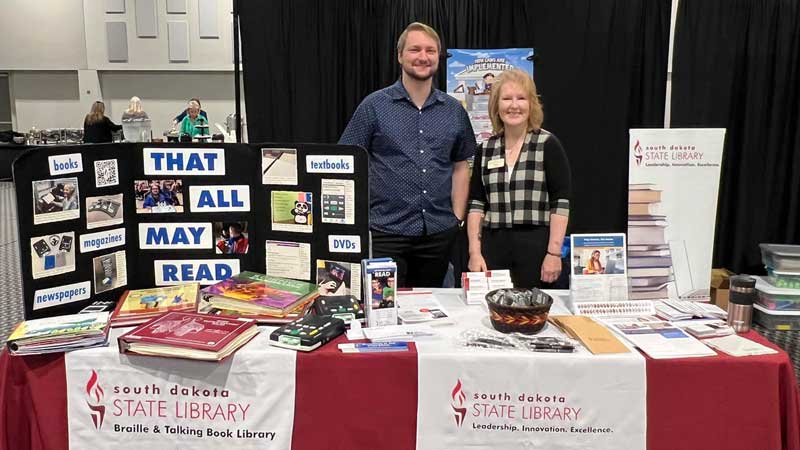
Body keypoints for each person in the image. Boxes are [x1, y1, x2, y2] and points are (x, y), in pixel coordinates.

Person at [339, 22, 476, 288]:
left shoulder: (453, 110)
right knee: (383, 312)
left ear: (439, 56)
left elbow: (461, 165)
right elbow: (347, 162)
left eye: (430, 50)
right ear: (400, 56)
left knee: (433, 314)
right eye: (415, 49)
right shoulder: (374, 106)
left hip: (437, 233)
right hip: (384, 232)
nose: (423, 57)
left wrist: (456, 218)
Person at [466, 69, 571, 288]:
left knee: (533, 315)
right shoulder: (485, 149)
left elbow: (560, 203)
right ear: (496, 105)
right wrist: (474, 253)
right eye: (506, 98)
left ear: (531, 104)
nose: (514, 105)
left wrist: (554, 252)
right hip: (493, 248)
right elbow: (476, 204)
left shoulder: (548, 144)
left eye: (521, 98)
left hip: (536, 247)